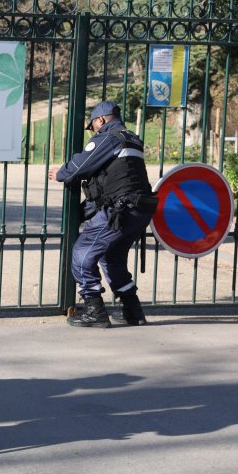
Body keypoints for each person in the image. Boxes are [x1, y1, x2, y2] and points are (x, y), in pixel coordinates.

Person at [49, 100, 157, 328]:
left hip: (121, 210)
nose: (93, 131)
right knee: (112, 258)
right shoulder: (132, 138)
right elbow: (114, 182)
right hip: (140, 210)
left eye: (93, 126)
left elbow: (79, 167)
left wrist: (60, 172)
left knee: (81, 252)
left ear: (100, 120)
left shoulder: (109, 137)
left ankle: (94, 309)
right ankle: (133, 311)